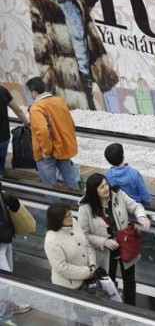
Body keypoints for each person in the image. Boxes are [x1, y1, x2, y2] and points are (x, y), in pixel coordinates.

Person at [28, 0, 118, 110]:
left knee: (90, 113)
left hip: (86, 71)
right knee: (78, 117)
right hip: (66, 77)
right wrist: (47, 87)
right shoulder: (39, 2)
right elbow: (41, 50)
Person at [77, 173, 151, 306]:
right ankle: (111, 308)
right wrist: (103, 242)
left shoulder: (118, 194)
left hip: (125, 247)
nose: (106, 189)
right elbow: (83, 235)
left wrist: (141, 217)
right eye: (101, 187)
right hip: (104, 253)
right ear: (94, 191)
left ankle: (131, 308)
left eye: (106, 185)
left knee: (130, 281)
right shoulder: (85, 208)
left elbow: (135, 206)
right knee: (107, 282)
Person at [25, 77, 79, 190]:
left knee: (50, 186)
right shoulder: (59, 101)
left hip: (47, 153)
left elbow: (43, 131)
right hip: (62, 146)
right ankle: (76, 204)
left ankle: (54, 206)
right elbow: (70, 122)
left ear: (34, 92)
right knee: (70, 179)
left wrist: (46, 150)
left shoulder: (36, 108)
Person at [44, 203, 96, 289]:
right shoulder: (51, 240)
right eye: (67, 216)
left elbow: (86, 243)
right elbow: (61, 268)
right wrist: (87, 273)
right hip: (68, 287)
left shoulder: (74, 222)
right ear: (58, 219)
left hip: (87, 279)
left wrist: (92, 264)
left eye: (70, 213)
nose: (71, 217)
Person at [0, 184, 31, 325]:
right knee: (4, 283)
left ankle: (8, 307)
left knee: (9, 277)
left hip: (5, 237)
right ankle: (3, 318)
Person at [0, 86, 29, 175]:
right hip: (3, 137)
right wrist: (26, 122)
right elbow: (17, 109)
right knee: (1, 164)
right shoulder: (2, 90)